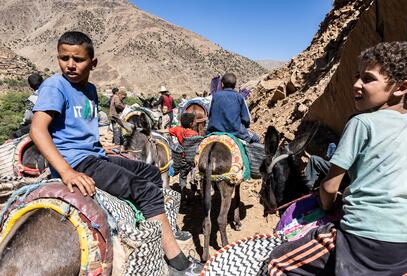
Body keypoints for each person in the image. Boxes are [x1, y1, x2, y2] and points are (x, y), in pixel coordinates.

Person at [30, 31, 202, 275]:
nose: (70, 64)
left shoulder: (88, 89)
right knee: (147, 191)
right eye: (64, 58)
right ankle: (178, 263)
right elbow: (37, 130)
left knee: (151, 171)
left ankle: (160, 229)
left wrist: (100, 145)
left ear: (93, 63)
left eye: (77, 59)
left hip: (92, 155)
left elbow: (77, 128)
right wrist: (66, 172)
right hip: (76, 162)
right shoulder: (55, 86)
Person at [268, 41, 407, 275]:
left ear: (401, 87)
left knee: (276, 261)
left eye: (367, 79)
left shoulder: (362, 122)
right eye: (357, 77)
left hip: (363, 239)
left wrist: (330, 203)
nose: (356, 84)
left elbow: (329, 186)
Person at [206, 72, 260, 143]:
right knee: (256, 139)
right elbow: (246, 119)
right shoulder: (240, 97)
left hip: (213, 131)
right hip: (236, 132)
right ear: (234, 85)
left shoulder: (215, 96)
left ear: (222, 84)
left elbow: (209, 115)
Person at [9, 73, 44, 139]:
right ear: (43, 81)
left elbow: (28, 117)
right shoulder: (52, 92)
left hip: (42, 124)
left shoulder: (32, 98)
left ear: (30, 86)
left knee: (14, 134)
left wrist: (24, 121)